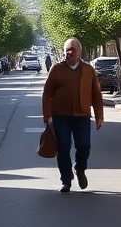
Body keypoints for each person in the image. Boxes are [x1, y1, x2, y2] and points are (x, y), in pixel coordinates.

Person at [41, 36, 104, 193]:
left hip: (82, 115)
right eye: (67, 50)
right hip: (60, 115)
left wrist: (99, 116)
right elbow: (47, 94)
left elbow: (96, 94)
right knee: (63, 147)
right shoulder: (56, 69)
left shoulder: (88, 70)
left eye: (72, 50)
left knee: (84, 145)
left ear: (79, 52)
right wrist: (48, 116)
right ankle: (66, 180)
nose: (69, 53)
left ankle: (80, 168)